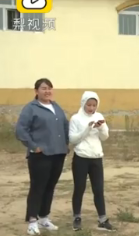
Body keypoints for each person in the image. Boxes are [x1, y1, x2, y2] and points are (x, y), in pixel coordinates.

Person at [15, 78, 70, 235]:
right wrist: (33, 146)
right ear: (36, 91)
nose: (47, 91)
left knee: (50, 187)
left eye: (50, 88)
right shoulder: (30, 108)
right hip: (40, 155)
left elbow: (65, 125)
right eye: (44, 88)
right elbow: (21, 130)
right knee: (38, 188)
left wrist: (66, 144)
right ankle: (32, 221)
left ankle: (44, 217)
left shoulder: (55, 106)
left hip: (58, 153)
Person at [69, 91, 114, 231]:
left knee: (98, 189)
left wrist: (101, 127)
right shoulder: (75, 119)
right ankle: (77, 217)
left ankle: (103, 219)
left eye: (94, 105)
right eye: (89, 105)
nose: (91, 108)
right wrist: (87, 128)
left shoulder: (99, 116)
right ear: (83, 104)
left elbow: (105, 137)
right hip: (81, 158)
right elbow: (73, 139)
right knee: (79, 188)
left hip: (96, 158)